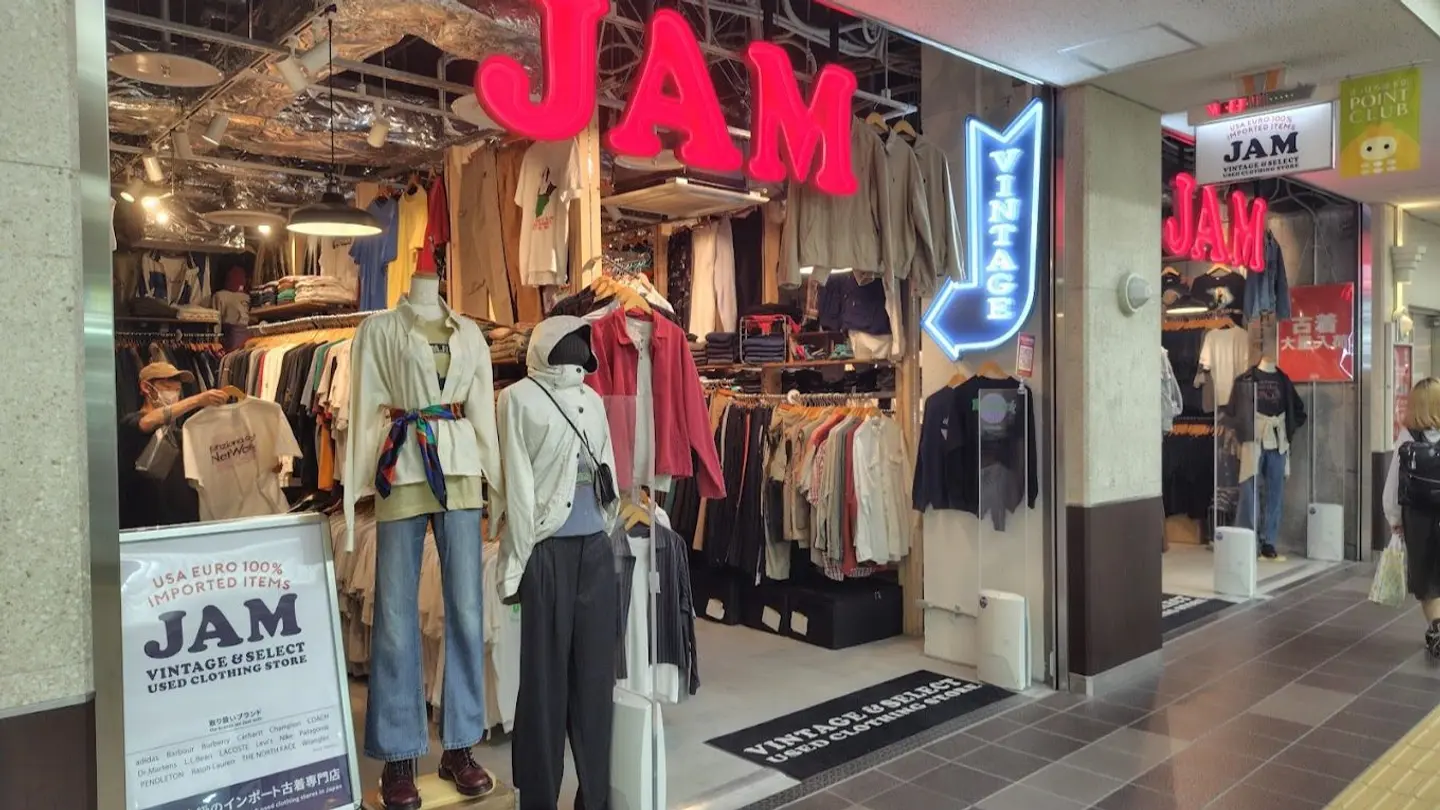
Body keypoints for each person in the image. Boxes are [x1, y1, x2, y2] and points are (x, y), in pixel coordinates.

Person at [117, 362, 228, 529]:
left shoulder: (178, 434)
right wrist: (198, 400)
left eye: (177, 390)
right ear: (146, 388)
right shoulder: (131, 424)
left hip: (182, 526)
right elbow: (147, 422)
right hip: (144, 527)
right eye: (167, 387)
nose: (174, 394)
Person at [1384, 376, 1440, 656]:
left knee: (1426, 580)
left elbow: (1393, 485)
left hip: (1417, 519)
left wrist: (1394, 520)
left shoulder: (1407, 437)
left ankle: (1437, 628)